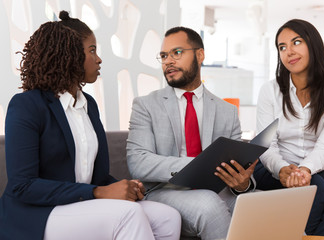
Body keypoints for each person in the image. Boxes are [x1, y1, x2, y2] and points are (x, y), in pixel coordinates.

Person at [0, 11, 181, 240]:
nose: (99, 59)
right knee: (128, 215)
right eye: (92, 50)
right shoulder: (27, 105)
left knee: (168, 217)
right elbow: (22, 186)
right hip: (36, 215)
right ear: (70, 55)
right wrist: (98, 192)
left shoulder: (89, 105)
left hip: (81, 204)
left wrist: (126, 187)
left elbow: (97, 177)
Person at [126, 26, 257, 240]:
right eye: (163, 56)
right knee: (208, 205)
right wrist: (195, 165)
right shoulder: (145, 105)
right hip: (164, 192)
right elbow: (138, 163)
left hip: (217, 191)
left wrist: (242, 184)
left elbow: (237, 164)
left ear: (200, 54)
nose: (168, 61)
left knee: (265, 203)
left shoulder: (227, 111)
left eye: (177, 53)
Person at [254, 19, 324, 237]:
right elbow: (265, 146)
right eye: (282, 47)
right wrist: (282, 169)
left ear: (313, 45)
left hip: (313, 168)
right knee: (316, 189)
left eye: (296, 42)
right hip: (272, 167)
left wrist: (305, 170)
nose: (289, 51)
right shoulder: (270, 90)